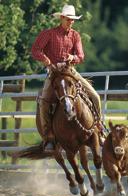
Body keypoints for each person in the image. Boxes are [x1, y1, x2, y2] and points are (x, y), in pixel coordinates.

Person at [31, 4, 103, 152]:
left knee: (95, 96)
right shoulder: (49, 34)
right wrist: (46, 60)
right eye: (69, 19)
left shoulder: (75, 35)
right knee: (44, 101)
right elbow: (35, 50)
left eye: (73, 19)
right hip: (53, 72)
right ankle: (48, 136)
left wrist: (73, 57)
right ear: (62, 18)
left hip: (70, 71)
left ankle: (98, 127)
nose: (71, 22)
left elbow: (81, 56)